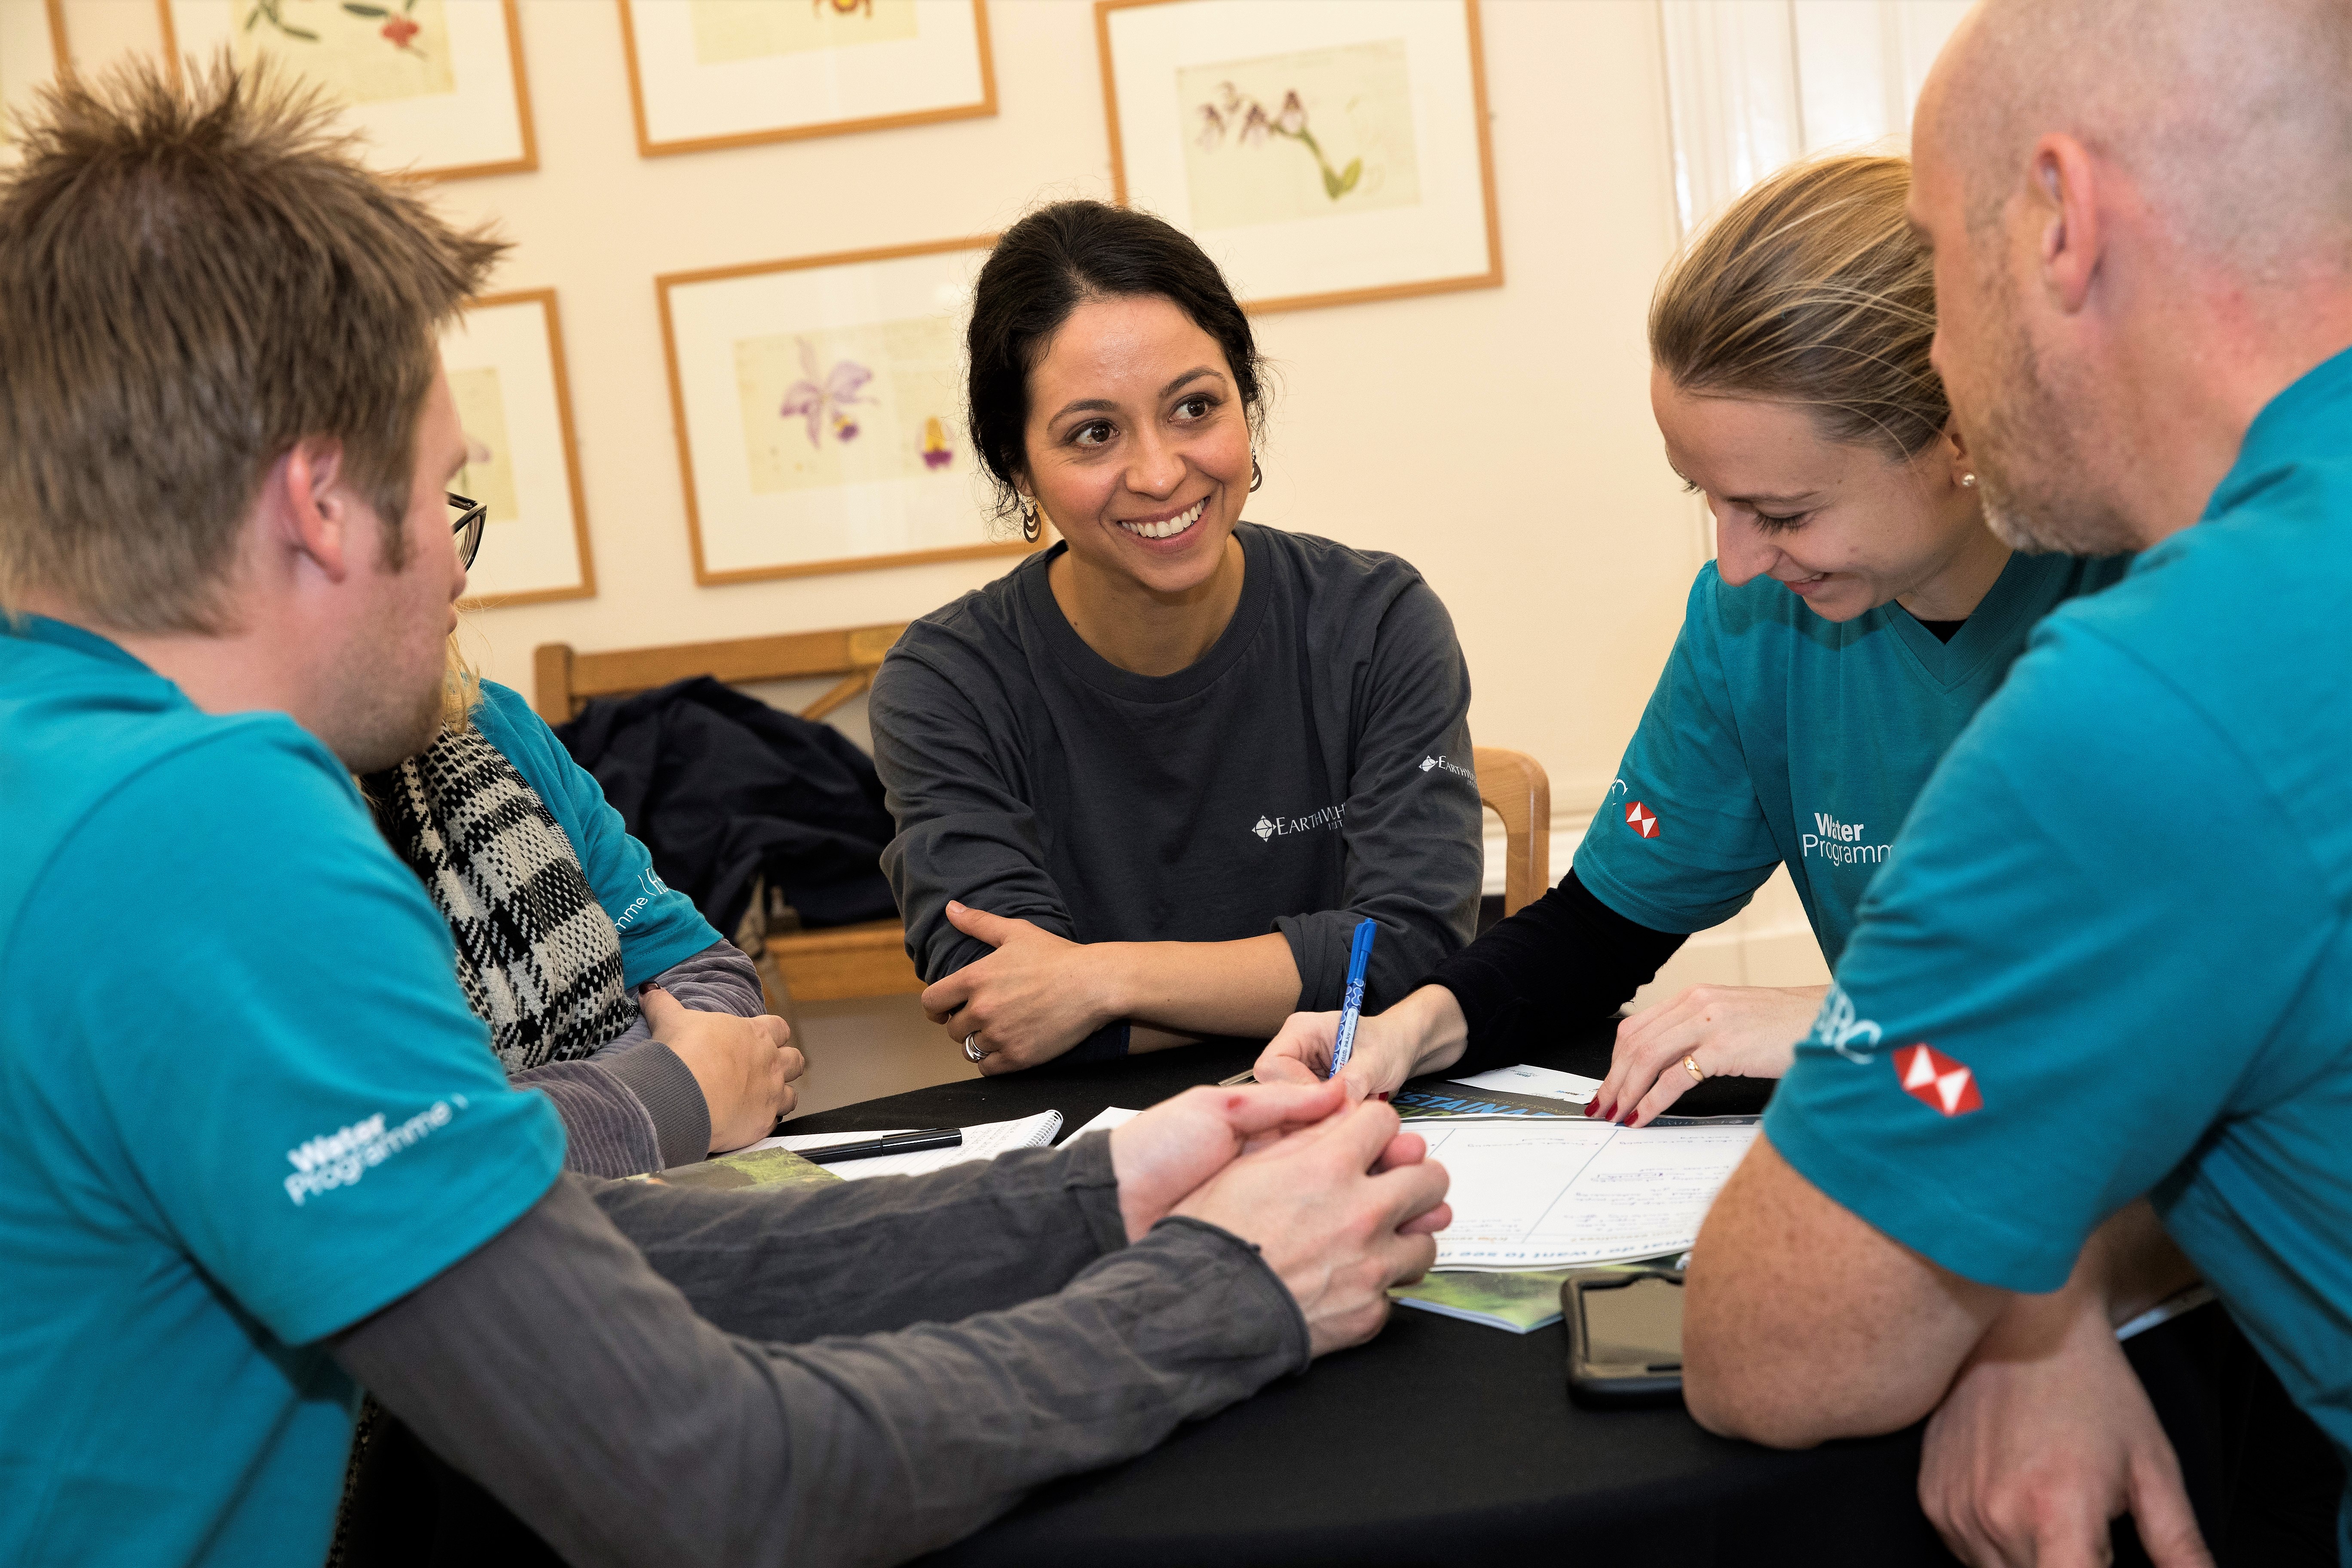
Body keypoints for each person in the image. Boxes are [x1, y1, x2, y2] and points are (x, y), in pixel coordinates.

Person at [0, 61, 1451, 1568]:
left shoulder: (58, 764)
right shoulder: (209, 827)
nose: (455, 566)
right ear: (317, 503)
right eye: (447, 494)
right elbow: (714, 1477)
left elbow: (564, 1255)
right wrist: (1230, 1289)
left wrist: (1100, 1189)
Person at [1679, 3, 2352, 1565]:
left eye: (1930, 263)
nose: (1930, 355)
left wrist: (2006, 1301)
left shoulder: (2151, 697)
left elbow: (1775, 1347)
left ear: (2055, 220)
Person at [1255, 154, 2127, 1118]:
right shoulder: (1754, 621)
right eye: (1704, 496)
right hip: (1941, 1119)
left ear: (1963, 436)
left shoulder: (2159, 599)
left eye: (1782, 512)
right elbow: (1601, 932)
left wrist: (1856, 1018)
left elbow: (2213, 993)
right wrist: (1411, 1029)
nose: (1738, 561)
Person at [869, 199, 1483, 1075]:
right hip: (1093, 1159)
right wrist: (1317, 983)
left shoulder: (1376, 621)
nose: (1160, 473)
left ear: (1247, 403)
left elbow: (1414, 953)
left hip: (1350, 1115)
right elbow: (999, 1002)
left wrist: (1099, 983)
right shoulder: (947, 682)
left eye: (1195, 408)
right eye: (1093, 433)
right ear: (1018, 467)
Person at [364, 644, 800, 1175]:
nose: (458, 577)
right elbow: (403, 1164)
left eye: (464, 552)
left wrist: (583, 1111)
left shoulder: (495, 725)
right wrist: (680, 1088)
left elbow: (704, 968)